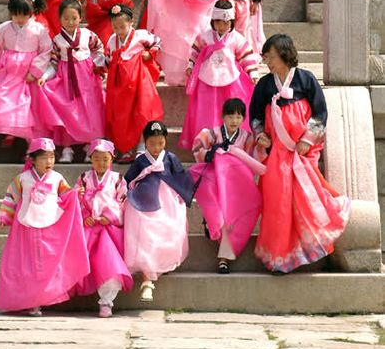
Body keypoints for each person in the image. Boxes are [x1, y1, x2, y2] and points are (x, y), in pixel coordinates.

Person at [250, 34, 351, 274]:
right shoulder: (264, 85)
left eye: (271, 56)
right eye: (266, 57)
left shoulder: (305, 79)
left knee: (305, 196)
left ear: (284, 55)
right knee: (277, 202)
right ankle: (279, 258)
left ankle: (306, 245)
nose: (267, 61)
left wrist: (307, 139)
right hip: (276, 152)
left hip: (302, 151)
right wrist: (260, 135)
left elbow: (320, 113)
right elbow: (254, 115)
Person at [0, 137, 89, 315]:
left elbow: (66, 196)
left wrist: (77, 194)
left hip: (49, 227)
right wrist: (5, 214)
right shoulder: (22, 179)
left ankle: (43, 297)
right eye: (44, 158)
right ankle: (31, 301)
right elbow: (11, 196)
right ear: (33, 159)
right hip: (25, 227)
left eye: (52, 157)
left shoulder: (57, 178)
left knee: (45, 263)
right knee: (27, 264)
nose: (49, 162)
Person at [189, 98, 267, 274]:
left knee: (232, 219)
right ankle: (210, 224)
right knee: (218, 214)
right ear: (223, 116)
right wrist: (210, 152)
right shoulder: (211, 133)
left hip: (236, 186)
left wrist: (261, 147)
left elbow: (253, 157)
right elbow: (197, 149)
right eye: (230, 116)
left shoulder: (247, 137)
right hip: (215, 182)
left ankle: (223, 258)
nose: (234, 121)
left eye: (239, 117)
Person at [124, 121, 195, 302]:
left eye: (160, 143)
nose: (156, 148)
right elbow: (128, 179)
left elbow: (181, 177)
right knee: (146, 232)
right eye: (152, 143)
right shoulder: (141, 160)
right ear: (145, 142)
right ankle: (148, 277)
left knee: (168, 229)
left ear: (165, 141)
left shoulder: (170, 158)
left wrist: (184, 196)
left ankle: (156, 269)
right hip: (144, 201)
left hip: (167, 201)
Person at [179, 0, 259, 150]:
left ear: (232, 22)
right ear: (212, 21)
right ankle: (206, 142)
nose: (221, 26)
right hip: (206, 79)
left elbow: (246, 56)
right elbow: (195, 52)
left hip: (230, 81)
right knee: (206, 111)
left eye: (225, 22)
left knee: (228, 108)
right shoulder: (204, 37)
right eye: (217, 22)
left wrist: (253, 73)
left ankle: (232, 141)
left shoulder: (237, 38)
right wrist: (190, 65)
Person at [38, 0, 106, 164]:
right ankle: (67, 148)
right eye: (66, 18)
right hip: (66, 79)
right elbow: (53, 63)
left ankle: (92, 146)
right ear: (59, 18)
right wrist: (45, 76)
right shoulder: (57, 40)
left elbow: (99, 49)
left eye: (74, 18)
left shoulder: (88, 35)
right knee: (68, 112)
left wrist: (98, 66)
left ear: (80, 18)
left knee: (91, 111)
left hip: (87, 79)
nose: (70, 22)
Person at [73, 139, 133, 317]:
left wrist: (110, 216)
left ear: (112, 159)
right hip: (89, 227)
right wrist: (85, 217)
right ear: (91, 159)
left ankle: (107, 301)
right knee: (81, 259)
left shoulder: (118, 180)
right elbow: (75, 199)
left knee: (110, 263)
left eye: (105, 159)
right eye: (97, 158)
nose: (101, 163)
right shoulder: (84, 179)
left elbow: (122, 201)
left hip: (109, 229)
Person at [0, 0, 52, 141]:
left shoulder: (39, 29)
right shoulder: (3, 28)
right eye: (15, 15)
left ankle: (28, 136)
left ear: (31, 13)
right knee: (4, 99)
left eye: (24, 15)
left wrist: (35, 71)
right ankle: (9, 129)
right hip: (9, 71)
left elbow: (46, 50)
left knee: (28, 103)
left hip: (28, 72)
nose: (19, 19)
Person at [105, 5, 163, 162]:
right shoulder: (112, 40)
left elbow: (157, 42)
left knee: (142, 112)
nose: (119, 30)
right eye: (115, 27)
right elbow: (108, 59)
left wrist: (148, 53)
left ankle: (141, 146)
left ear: (131, 22)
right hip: (120, 85)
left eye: (122, 26)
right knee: (122, 116)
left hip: (139, 81)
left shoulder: (141, 35)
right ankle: (124, 148)